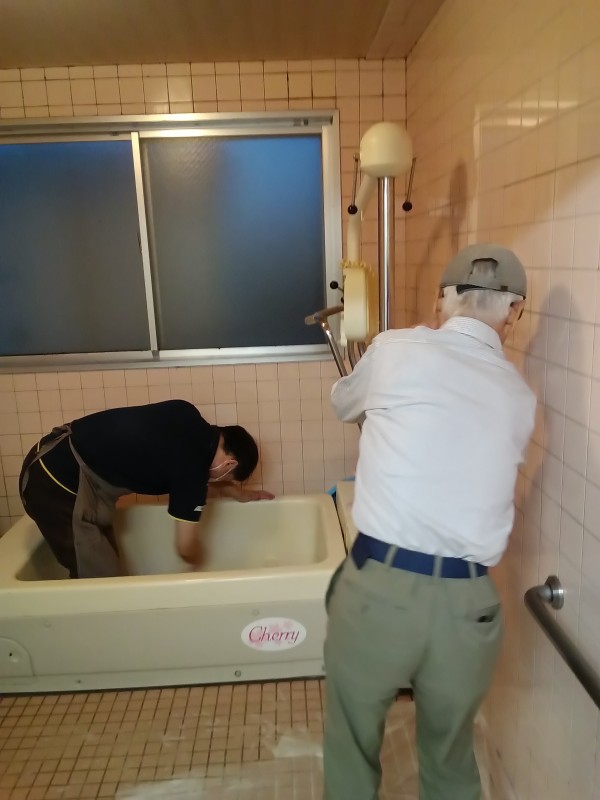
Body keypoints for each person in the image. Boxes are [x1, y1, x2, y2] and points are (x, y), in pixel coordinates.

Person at [322, 243, 537, 800]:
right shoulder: (520, 397)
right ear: (514, 311)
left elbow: (343, 404)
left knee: (351, 748)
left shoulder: (396, 349)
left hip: (380, 591)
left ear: (443, 300)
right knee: (449, 759)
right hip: (469, 605)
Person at [19, 399, 272, 579]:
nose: (217, 481)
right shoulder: (192, 469)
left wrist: (238, 494)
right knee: (100, 584)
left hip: (53, 452)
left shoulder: (187, 415)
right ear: (229, 464)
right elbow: (184, 547)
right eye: (226, 476)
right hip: (55, 481)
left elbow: (196, 471)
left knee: (106, 570)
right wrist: (204, 565)